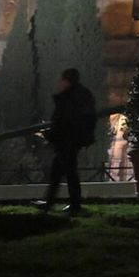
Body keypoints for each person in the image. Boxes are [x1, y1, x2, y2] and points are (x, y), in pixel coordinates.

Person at [37, 68, 97, 216]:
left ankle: (74, 205)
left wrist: (48, 134)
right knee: (57, 171)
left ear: (65, 80)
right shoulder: (83, 95)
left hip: (66, 140)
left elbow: (63, 122)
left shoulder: (69, 98)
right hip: (74, 139)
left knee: (69, 172)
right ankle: (51, 202)